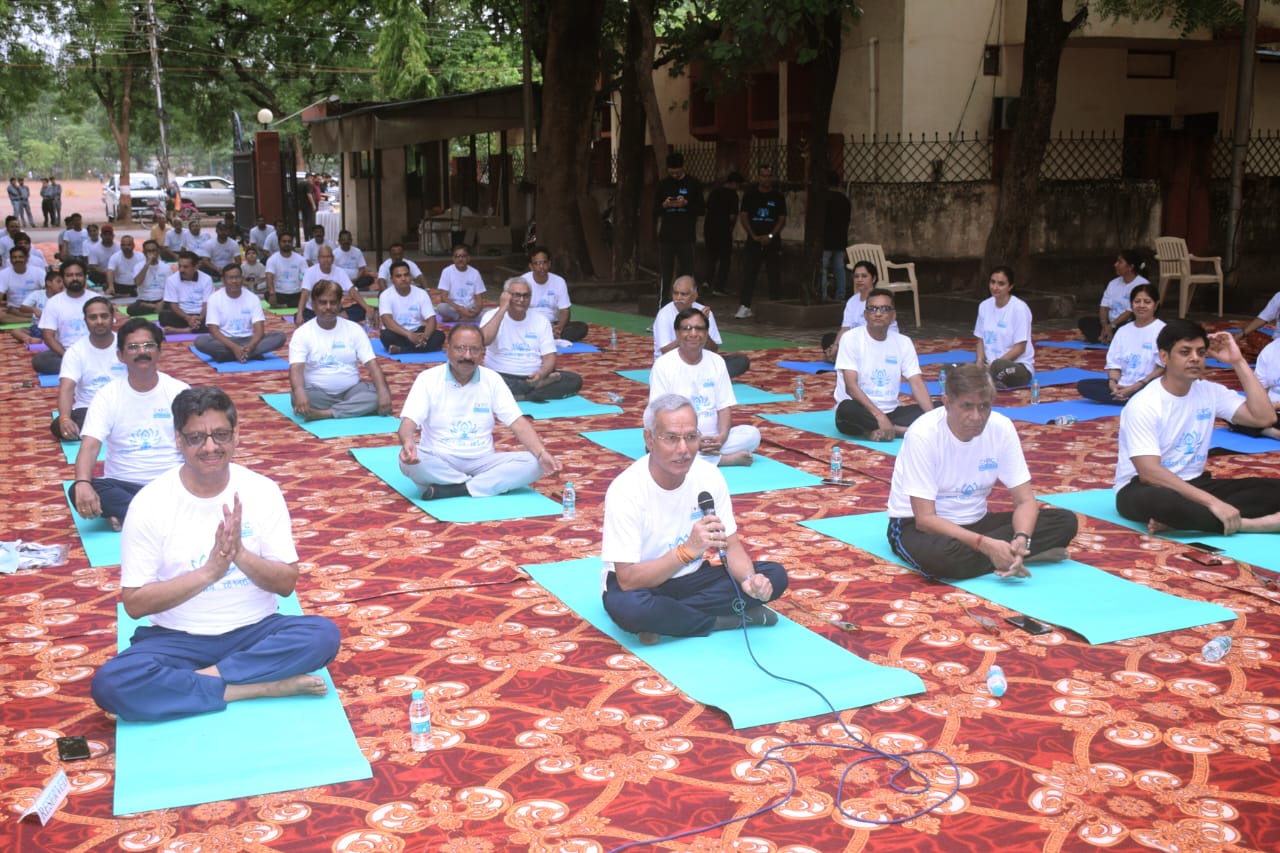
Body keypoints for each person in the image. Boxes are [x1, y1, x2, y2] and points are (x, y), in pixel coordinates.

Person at [89, 386, 341, 723]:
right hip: (177, 639)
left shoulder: (262, 491)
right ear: (178, 441)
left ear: (235, 436)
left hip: (254, 631)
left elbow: (286, 584)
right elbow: (134, 604)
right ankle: (255, 687)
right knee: (110, 685)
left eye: (220, 435)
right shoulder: (149, 503)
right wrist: (209, 572)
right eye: (196, 438)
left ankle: (196, 683)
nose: (210, 447)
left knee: (323, 636)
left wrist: (241, 555)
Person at [600, 393, 788, 646]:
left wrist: (749, 581)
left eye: (691, 437)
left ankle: (671, 619)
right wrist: (686, 551)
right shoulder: (625, 490)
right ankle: (722, 620)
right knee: (633, 609)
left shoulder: (709, 476)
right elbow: (628, 579)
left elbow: (731, 546)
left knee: (775, 575)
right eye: (671, 438)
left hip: (692, 578)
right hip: (642, 585)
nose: (683, 449)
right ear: (649, 439)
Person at [886, 363, 1079, 579]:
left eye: (984, 407)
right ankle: (1017, 556)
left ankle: (1011, 554)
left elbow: (1025, 500)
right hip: (919, 525)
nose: (976, 416)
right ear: (947, 403)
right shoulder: (923, 434)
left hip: (976, 522)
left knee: (1065, 521)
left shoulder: (1001, 428)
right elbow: (925, 519)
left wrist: (1022, 538)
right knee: (943, 559)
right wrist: (984, 544)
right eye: (967, 406)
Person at [1114, 320, 1280, 534]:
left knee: (1274, 490)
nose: (1195, 358)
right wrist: (1212, 502)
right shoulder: (1144, 404)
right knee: (1166, 504)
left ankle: (1189, 521)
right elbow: (1149, 473)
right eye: (1185, 352)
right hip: (1143, 487)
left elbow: (1264, 418)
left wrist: (1237, 361)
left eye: (1201, 352)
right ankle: (1250, 524)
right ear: (1164, 356)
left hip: (1195, 484)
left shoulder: (1210, 392)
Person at [397, 324, 562, 500]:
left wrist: (541, 453)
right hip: (440, 459)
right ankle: (480, 485)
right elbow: (408, 422)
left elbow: (517, 422)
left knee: (535, 463)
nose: (467, 356)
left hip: (482, 462)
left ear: (483, 352)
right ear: (448, 350)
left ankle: (457, 488)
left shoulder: (492, 379)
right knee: (407, 461)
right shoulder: (428, 378)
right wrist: (408, 442)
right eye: (460, 348)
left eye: (474, 350)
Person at [71, 318, 189, 530]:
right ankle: (162, 517)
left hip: (172, 482)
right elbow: (90, 446)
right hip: (123, 485)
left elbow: (198, 442)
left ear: (159, 352)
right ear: (120, 355)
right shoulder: (107, 395)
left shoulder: (179, 391)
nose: (142, 351)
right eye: (133, 347)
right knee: (79, 488)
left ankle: (132, 516)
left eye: (148, 345)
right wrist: (82, 483)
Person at [649, 307, 760, 467]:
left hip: (712, 438)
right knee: (660, 444)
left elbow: (724, 407)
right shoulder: (663, 365)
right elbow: (659, 414)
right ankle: (722, 460)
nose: (693, 333)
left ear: (707, 333)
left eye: (699, 328)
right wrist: (692, 439)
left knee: (752, 435)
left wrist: (721, 438)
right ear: (677, 333)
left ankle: (700, 457)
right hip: (678, 436)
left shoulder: (717, 362)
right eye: (687, 328)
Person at [834, 289, 934, 439]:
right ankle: (897, 430)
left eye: (885, 309)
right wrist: (879, 416)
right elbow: (851, 387)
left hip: (892, 412)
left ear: (893, 315)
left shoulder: (903, 342)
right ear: (865, 315)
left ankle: (881, 430)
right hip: (861, 410)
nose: (878, 314)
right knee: (846, 409)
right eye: (872, 309)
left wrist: (933, 419)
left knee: (940, 408)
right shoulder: (850, 338)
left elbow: (916, 383)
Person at [287, 280, 393, 421]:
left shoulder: (354, 329)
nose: (328, 307)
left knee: (380, 393)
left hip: (352, 391)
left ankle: (325, 413)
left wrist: (383, 392)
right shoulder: (302, 333)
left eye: (333, 303)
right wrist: (300, 393)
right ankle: (351, 409)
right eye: (323, 303)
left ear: (339, 304)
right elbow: (296, 369)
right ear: (313, 305)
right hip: (317, 393)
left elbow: (372, 364)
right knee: (297, 395)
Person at [480, 277, 583, 402]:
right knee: (482, 381)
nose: (521, 300)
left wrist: (541, 374)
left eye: (526, 296)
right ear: (506, 296)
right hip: (500, 375)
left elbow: (549, 357)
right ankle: (531, 392)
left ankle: (523, 394)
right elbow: (484, 340)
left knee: (574, 380)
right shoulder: (491, 316)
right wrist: (502, 309)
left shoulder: (541, 320)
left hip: (531, 377)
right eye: (516, 295)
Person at [1077, 283, 1165, 405]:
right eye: (1137, 301)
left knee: (1158, 392)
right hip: (1123, 384)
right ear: (1131, 305)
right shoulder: (1123, 330)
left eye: (1147, 302)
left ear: (1156, 305)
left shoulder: (1163, 330)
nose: (1141, 305)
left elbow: (1162, 368)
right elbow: (1114, 364)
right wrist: (1113, 384)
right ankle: (1128, 398)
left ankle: (1130, 398)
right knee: (1084, 385)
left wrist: (1135, 387)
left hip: (1147, 384)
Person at [54, 296, 123, 441]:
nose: (99, 321)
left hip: (124, 405)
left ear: (113, 317)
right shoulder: (75, 351)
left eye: (104, 316)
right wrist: (65, 419)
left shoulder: (126, 345)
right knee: (59, 426)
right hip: (89, 410)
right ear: (85, 321)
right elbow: (67, 388)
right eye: (93, 317)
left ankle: (105, 430)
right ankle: (116, 429)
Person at [653, 275, 749, 379]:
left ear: (694, 296)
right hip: (674, 365)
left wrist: (703, 326)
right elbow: (666, 352)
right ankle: (704, 377)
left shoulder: (704, 312)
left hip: (701, 362)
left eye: (683, 294)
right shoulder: (664, 314)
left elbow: (713, 350)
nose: (678, 298)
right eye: (675, 293)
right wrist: (690, 330)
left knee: (741, 361)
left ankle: (701, 376)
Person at [195, 264, 286, 363]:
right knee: (201, 341)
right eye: (230, 278)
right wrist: (234, 347)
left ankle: (232, 355)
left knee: (280, 336)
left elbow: (259, 330)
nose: (234, 281)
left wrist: (251, 346)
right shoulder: (214, 299)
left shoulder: (253, 298)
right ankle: (248, 354)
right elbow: (214, 331)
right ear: (223, 280)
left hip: (248, 340)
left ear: (242, 279)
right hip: (225, 341)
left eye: (237, 277)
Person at [735, 164, 786, 319]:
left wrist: (770, 236)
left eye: (769, 176)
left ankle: (776, 306)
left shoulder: (778, 196)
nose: (766, 179)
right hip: (754, 241)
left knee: (774, 274)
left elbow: (782, 219)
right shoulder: (750, 195)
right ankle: (745, 306)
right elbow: (744, 216)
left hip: (772, 241)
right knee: (749, 273)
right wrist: (753, 235)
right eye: (763, 176)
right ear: (758, 177)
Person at [654, 152, 705, 306]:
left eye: (677, 171)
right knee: (666, 273)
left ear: (683, 167)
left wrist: (686, 204)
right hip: (667, 236)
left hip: (686, 236)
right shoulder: (663, 185)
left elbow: (701, 210)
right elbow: (654, 211)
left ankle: (689, 306)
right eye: (672, 171)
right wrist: (664, 205)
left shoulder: (694, 184)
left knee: (688, 272)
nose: (675, 174)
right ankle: (663, 307)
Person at [821, 260, 898, 361]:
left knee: (853, 346)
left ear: (873, 278)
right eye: (856, 276)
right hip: (857, 341)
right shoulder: (852, 301)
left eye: (864, 276)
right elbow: (845, 328)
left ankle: (844, 357)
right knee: (829, 339)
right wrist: (836, 345)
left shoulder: (880, 299)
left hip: (879, 339)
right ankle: (841, 355)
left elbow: (878, 329)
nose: (859, 279)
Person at [974, 265, 1035, 388]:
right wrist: (979, 362)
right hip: (989, 364)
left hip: (1015, 366)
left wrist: (993, 366)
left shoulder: (1020, 309)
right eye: (992, 282)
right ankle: (987, 378)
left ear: (1010, 286)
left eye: (1001, 284)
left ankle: (986, 378)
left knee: (999, 367)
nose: (995, 287)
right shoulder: (984, 306)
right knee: (951, 369)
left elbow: (1020, 347)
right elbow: (980, 340)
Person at [34, 260, 94, 375]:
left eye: (78, 275)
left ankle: (80, 367)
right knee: (40, 361)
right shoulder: (53, 302)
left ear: (85, 277)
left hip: (94, 350)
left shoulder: (96, 299)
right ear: (63, 278)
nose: (74, 278)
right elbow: (48, 336)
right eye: (69, 275)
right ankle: (85, 367)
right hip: (65, 352)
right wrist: (67, 356)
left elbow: (107, 330)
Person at [1079, 249, 1149, 344]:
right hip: (1111, 323)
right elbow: (1104, 307)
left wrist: (1112, 325)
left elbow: (1130, 312)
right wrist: (1104, 326)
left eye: (1120, 262)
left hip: (1127, 322)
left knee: (1127, 329)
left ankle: (1108, 337)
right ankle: (1108, 336)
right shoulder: (1113, 283)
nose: (1115, 265)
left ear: (1130, 267)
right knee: (1084, 322)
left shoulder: (1142, 285)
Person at [522, 246, 588, 342]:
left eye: (544, 262)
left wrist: (558, 328)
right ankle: (545, 336)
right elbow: (517, 310)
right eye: (537, 263)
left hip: (552, 324)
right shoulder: (523, 281)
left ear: (549, 263)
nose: (541, 267)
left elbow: (565, 310)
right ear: (531, 266)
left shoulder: (559, 281)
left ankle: (545, 336)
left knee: (581, 327)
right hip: (530, 324)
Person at [378, 260, 444, 354]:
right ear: (392, 279)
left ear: (411, 277)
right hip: (398, 332)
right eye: (398, 276)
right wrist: (409, 335)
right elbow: (387, 322)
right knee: (386, 336)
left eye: (406, 275)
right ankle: (420, 347)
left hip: (417, 331)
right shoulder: (385, 295)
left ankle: (402, 350)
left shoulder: (421, 293)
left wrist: (425, 337)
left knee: (439, 336)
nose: (403, 278)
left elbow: (431, 319)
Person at [297, 245, 372, 326]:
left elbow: (352, 291)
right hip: (314, 310)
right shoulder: (310, 272)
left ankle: (335, 317)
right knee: (302, 317)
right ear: (318, 258)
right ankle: (334, 319)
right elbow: (305, 294)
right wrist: (299, 313)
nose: (326, 260)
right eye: (323, 257)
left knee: (361, 310)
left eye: (328, 257)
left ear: (333, 258)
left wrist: (367, 308)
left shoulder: (340, 272)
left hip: (334, 309)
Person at [703, 172, 740, 297]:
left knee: (711, 257)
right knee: (725, 259)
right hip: (723, 230)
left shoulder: (714, 192)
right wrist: (731, 228)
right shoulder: (733, 195)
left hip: (709, 229)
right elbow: (732, 216)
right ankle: (719, 287)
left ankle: (707, 282)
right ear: (734, 183)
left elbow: (707, 209)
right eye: (738, 185)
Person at [160, 251, 212, 333]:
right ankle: (194, 328)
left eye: (185, 267)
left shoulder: (206, 279)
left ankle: (183, 330)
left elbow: (206, 304)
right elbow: (173, 305)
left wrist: (200, 318)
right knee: (164, 316)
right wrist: (188, 318)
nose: (181, 270)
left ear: (196, 267)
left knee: (214, 319)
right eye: (180, 266)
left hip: (200, 314)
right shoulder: (171, 280)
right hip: (182, 314)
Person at [820, 171, 852, 302]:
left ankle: (823, 294)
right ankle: (841, 295)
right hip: (840, 239)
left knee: (823, 268)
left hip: (826, 239)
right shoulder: (845, 200)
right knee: (839, 267)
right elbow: (847, 220)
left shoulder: (823, 199)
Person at [433, 244, 485, 322]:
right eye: (457, 256)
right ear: (453, 258)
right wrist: (460, 308)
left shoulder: (475, 273)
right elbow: (443, 297)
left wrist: (477, 311)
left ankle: (458, 318)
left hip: (469, 308)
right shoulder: (447, 271)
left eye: (463, 256)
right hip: (453, 307)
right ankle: (463, 318)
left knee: (488, 315)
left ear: (468, 258)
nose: (460, 259)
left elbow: (479, 298)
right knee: (441, 307)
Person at [1242, 336, 1280, 440]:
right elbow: (1259, 390)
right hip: (1271, 413)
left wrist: (1276, 405)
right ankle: (1271, 432)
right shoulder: (1271, 350)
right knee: (1232, 410)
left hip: (1274, 407)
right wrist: (1262, 407)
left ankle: (1259, 428)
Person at [0, 246, 43, 325]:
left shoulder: (38, 272)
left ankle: (31, 318)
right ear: (10, 260)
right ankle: (32, 320)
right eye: (14, 257)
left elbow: (49, 290)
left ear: (27, 258)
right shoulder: (3, 274)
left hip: (34, 309)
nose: (17, 260)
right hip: (14, 310)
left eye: (20, 257)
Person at [127, 240, 170, 316]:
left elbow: (170, 288)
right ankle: (155, 308)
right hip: (144, 300)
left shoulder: (166, 267)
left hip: (161, 300)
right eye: (148, 251)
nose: (151, 253)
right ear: (144, 252)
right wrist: (147, 265)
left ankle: (153, 307)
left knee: (175, 307)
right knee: (131, 309)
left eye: (154, 250)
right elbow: (137, 282)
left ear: (158, 252)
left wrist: (162, 302)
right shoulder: (138, 266)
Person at [265, 231, 308, 308]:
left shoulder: (300, 259)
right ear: (279, 243)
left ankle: (284, 305)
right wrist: (272, 293)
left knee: (307, 296)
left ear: (292, 243)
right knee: (267, 294)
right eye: (284, 241)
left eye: (289, 241)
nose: (287, 244)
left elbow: (307, 276)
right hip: (279, 294)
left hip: (296, 294)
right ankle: (289, 304)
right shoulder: (272, 259)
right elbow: (269, 276)